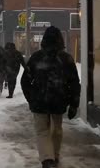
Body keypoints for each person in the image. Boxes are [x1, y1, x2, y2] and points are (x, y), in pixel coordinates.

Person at [21, 26, 81, 168]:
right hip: (59, 101)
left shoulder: (36, 57)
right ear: (60, 40)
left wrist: (31, 98)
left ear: (44, 40)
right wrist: (73, 104)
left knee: (42, 131)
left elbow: (25, 81)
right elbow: (74, 83)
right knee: (57, 130)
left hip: (39, 102)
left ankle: (47, 159)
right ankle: (54, 155)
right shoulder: (66, 59)